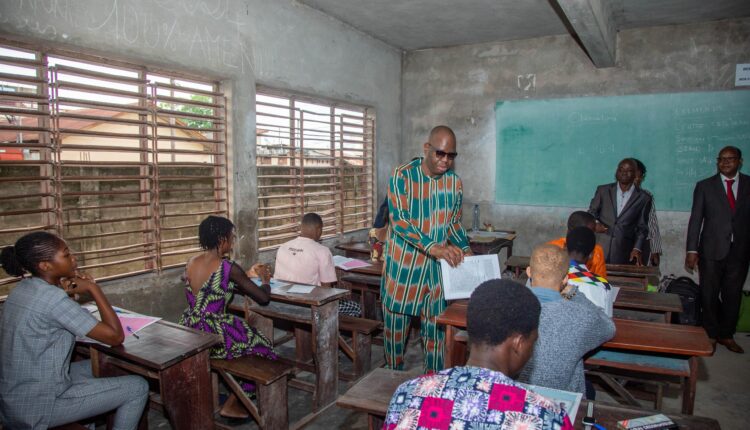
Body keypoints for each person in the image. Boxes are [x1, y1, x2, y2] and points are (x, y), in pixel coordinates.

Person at [0, 232, 149, 429]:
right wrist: (94, 289)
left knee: (103, 365)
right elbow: (115, 336)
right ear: (45, 265)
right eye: (66, 254)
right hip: (39, 406)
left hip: (13, 398)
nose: (73, 258)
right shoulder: (54, 300)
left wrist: (66, 292)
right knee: (138, 386)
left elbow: (56, 318)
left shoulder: (22, 289)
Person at [384, 279, 573, 429]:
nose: (532, 350)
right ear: (518, 343)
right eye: (533, 341)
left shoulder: (407, 394)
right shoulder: (547, 417)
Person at [381, 125, 472, 372]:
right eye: (440, 153)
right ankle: (391, 381)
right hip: (404, 270)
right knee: (395, 334)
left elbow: (453, 223)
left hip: (436, 273)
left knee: (436, 334)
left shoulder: (454, 183)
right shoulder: (402, 176)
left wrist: (465, 247)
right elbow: (400, 221)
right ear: (426, 148)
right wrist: (434, 248)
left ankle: (432, 384)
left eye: (451, 155)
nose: (445, 160)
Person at [179, 215, 277, 418]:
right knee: (263, 347)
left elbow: (210, 284)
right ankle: (235, 402)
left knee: (247, 343)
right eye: (231, 238)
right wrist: (266, 280)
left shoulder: (191, 262)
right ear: (222, 239)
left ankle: (229, 396)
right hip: (214, 333)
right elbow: (263, 298)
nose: (232, 243)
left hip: (190, 328)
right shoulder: (227, 267)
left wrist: (244, 275)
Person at [519, 244, 615, 396]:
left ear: (529, 272)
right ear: (565, 279)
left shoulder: (508, 308)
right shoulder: (580, 316)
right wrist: (573, 292)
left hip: (514, 398)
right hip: (562, 402)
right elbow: (608, 327)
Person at [686, 146, 750, 354]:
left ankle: (727, 334)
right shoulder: (705, 186)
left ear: (740, 161)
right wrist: (691, 250)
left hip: (740, 250)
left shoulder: (748, 184)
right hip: (711, 250)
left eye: (730, 159)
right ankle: (711, 334)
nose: (725, 162)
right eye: (721, 159)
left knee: (733, 294)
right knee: (709, 293)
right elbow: (696, 219)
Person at [274, 212, 361, 316]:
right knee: (356, 307)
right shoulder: (322, 251)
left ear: (302, 227)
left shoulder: (283, 247)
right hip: (311, 305)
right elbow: (327, 289)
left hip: (283, 302)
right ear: (319, 229)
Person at [589, 158, 653, 265]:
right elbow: (591, 213)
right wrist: (595, 224)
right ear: (616, 172)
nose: (624, 172)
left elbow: (642, 227)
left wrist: (637, 248)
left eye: (628, 170)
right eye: (621, 169)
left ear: (635, 174)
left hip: (623, 251)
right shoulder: (603, 190)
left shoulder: (644, 198)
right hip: (599, 247)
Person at [565, 227, 615, 317]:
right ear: (592, 254)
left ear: (564, 247)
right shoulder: (603, 285)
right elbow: (608, 322)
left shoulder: (548, 277)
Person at [548, 210, 608, 277]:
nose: (592, 235)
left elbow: (600, 278)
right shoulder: (551, 249)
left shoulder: (597, 252)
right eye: (590, 232)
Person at [633, 158, 663, 266]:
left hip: (641, 244)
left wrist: (655, 250)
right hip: (619, 243)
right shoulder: (613, 195)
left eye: (639, 177)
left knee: (639, 273)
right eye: (633, 176)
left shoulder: (646, 196)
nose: (636, 180)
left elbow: (652, 223)